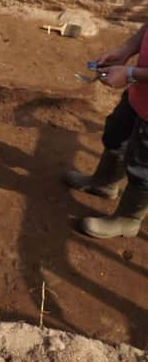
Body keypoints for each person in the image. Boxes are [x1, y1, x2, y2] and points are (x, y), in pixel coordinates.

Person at [64, 22, 148, 238]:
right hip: (140, 94)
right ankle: (105, 182)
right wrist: (127, 49)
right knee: (116, 133)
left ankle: (129, 219)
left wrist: (132, 73)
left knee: (143, 167)